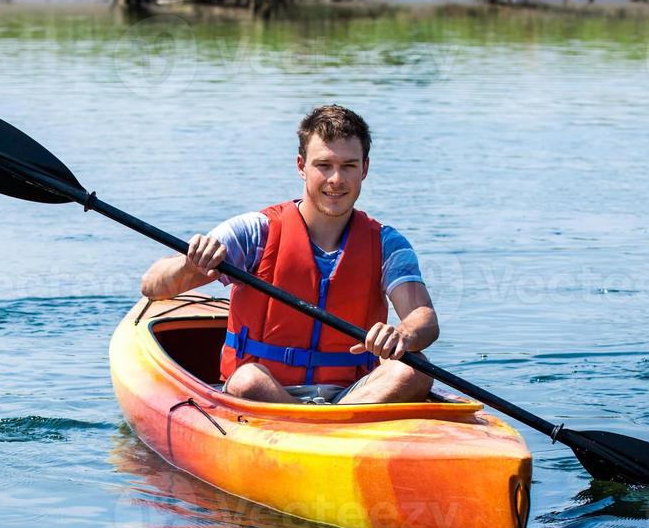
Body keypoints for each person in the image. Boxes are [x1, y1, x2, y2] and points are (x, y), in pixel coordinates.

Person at [140, 105, 436, 405]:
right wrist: (190, 263)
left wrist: (403, 334)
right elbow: (153, 286)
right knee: (247, 379)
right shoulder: (256, 233)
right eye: (324, 165)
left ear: (365, 169)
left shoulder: (387, 243)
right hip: (266, 396)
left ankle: (328, 426)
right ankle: (319, 428)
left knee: (416, 370)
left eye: (348, 165)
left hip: (355, 397)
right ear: (301, 166)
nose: (336, 179)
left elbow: (423, 319)